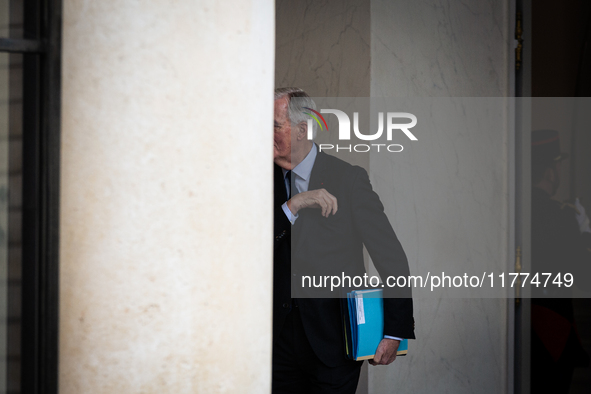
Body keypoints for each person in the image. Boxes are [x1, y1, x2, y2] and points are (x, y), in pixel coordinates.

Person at [272, 87, 415, 393]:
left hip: (333, 344)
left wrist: (394, 331)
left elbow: (390, 257)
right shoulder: (257, 178)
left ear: (301, 130)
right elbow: (245, 248)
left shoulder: (347, 179)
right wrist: (293, 205)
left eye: (273, 126)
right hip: (275, 345)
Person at [530, 129, 591, 393]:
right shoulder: (561, 216)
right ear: (550, 171)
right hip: (553, 328)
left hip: (521, 326)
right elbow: (585, 278)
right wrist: (585, 235)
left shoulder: (515, 210)